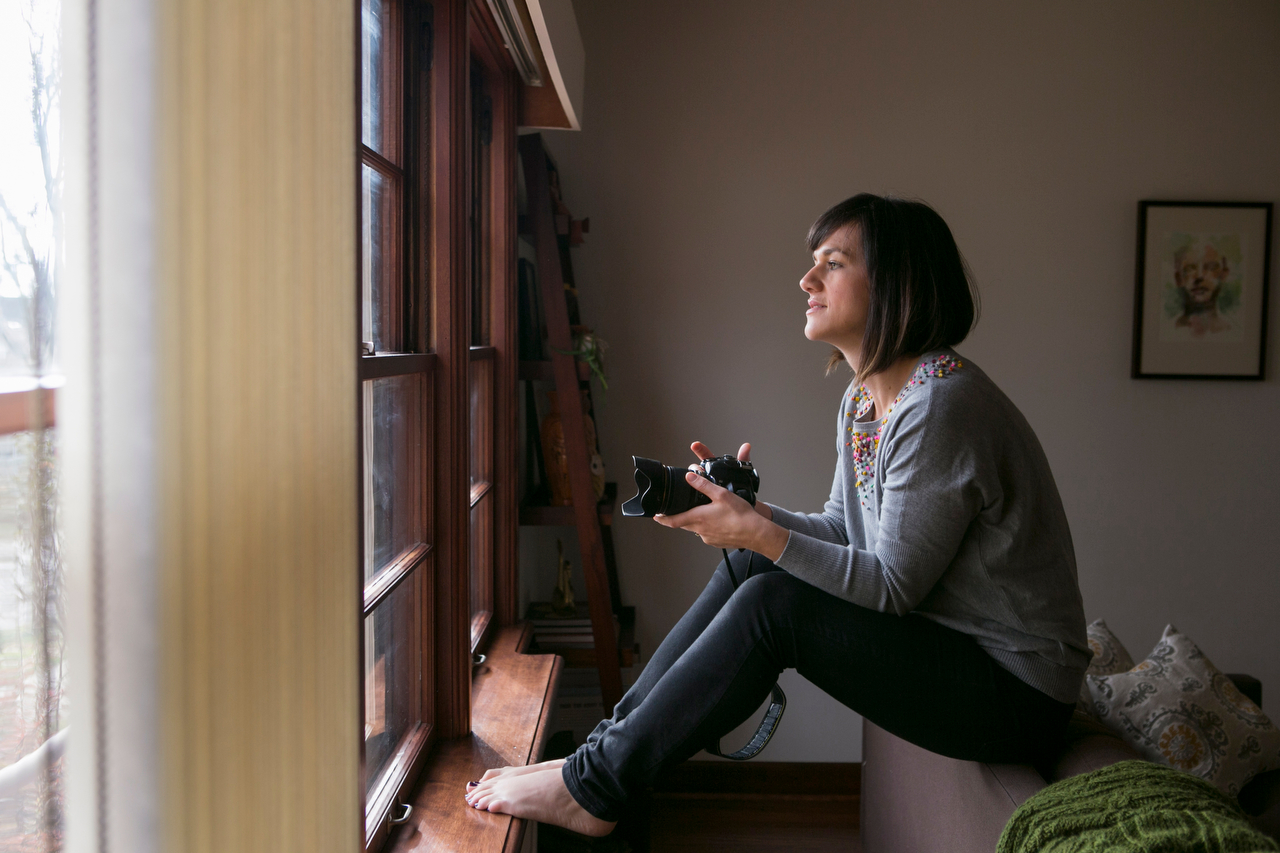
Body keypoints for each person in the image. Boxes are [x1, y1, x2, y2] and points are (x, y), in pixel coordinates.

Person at [463, 193, 1090, 837]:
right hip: (954, 648)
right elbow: (846, 534)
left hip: (1018, 690)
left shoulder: (941, 405)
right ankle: (598, 757)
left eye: (833, 262)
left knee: (775, 608)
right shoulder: (863, 399)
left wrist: (762, 534)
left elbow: (892, 588)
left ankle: (595, 788)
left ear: (896, 285)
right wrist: (748, 518)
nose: (806, 279)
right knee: (746, 565)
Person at [1172, 239, 1233, 336]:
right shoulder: (1171, 330)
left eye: (1211, 267)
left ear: (1223, 275)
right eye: (1190, 268)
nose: (1199, 276)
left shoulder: (1230, 330)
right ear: (1179, 279)